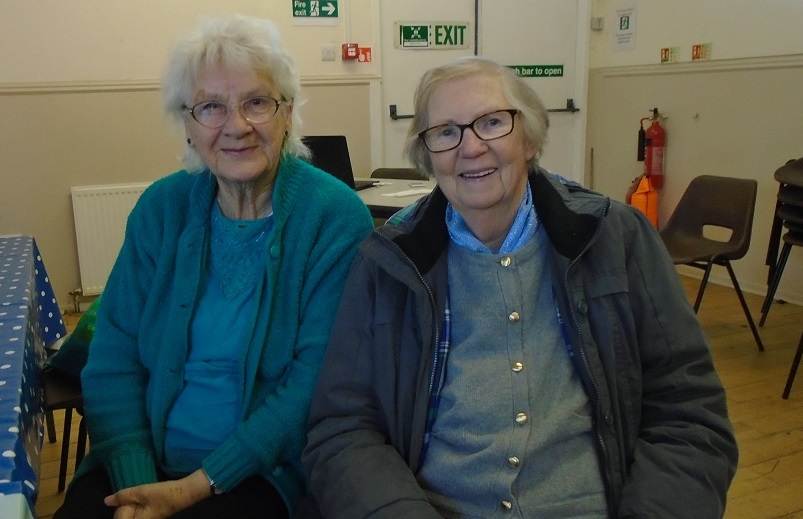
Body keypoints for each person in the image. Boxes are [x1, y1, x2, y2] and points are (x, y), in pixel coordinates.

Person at [303, 57, 738, 518]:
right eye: (446, 132)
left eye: (492, 123)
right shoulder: (386, 263)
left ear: (529, 138)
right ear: (427, 154)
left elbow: (689, 414)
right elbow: (343, 428)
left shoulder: (616, 239)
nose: (470, 147)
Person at [55, 15, 373, 519]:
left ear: (287, 113)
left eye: (256, 102)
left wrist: (194, 487)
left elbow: (313, 383)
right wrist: (138, 482)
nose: (236, 125)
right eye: (211, 107)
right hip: (137, 461)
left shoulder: (332, 217)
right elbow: (112, 360)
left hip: (260, 471)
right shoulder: (162, 210)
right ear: (187, 123)